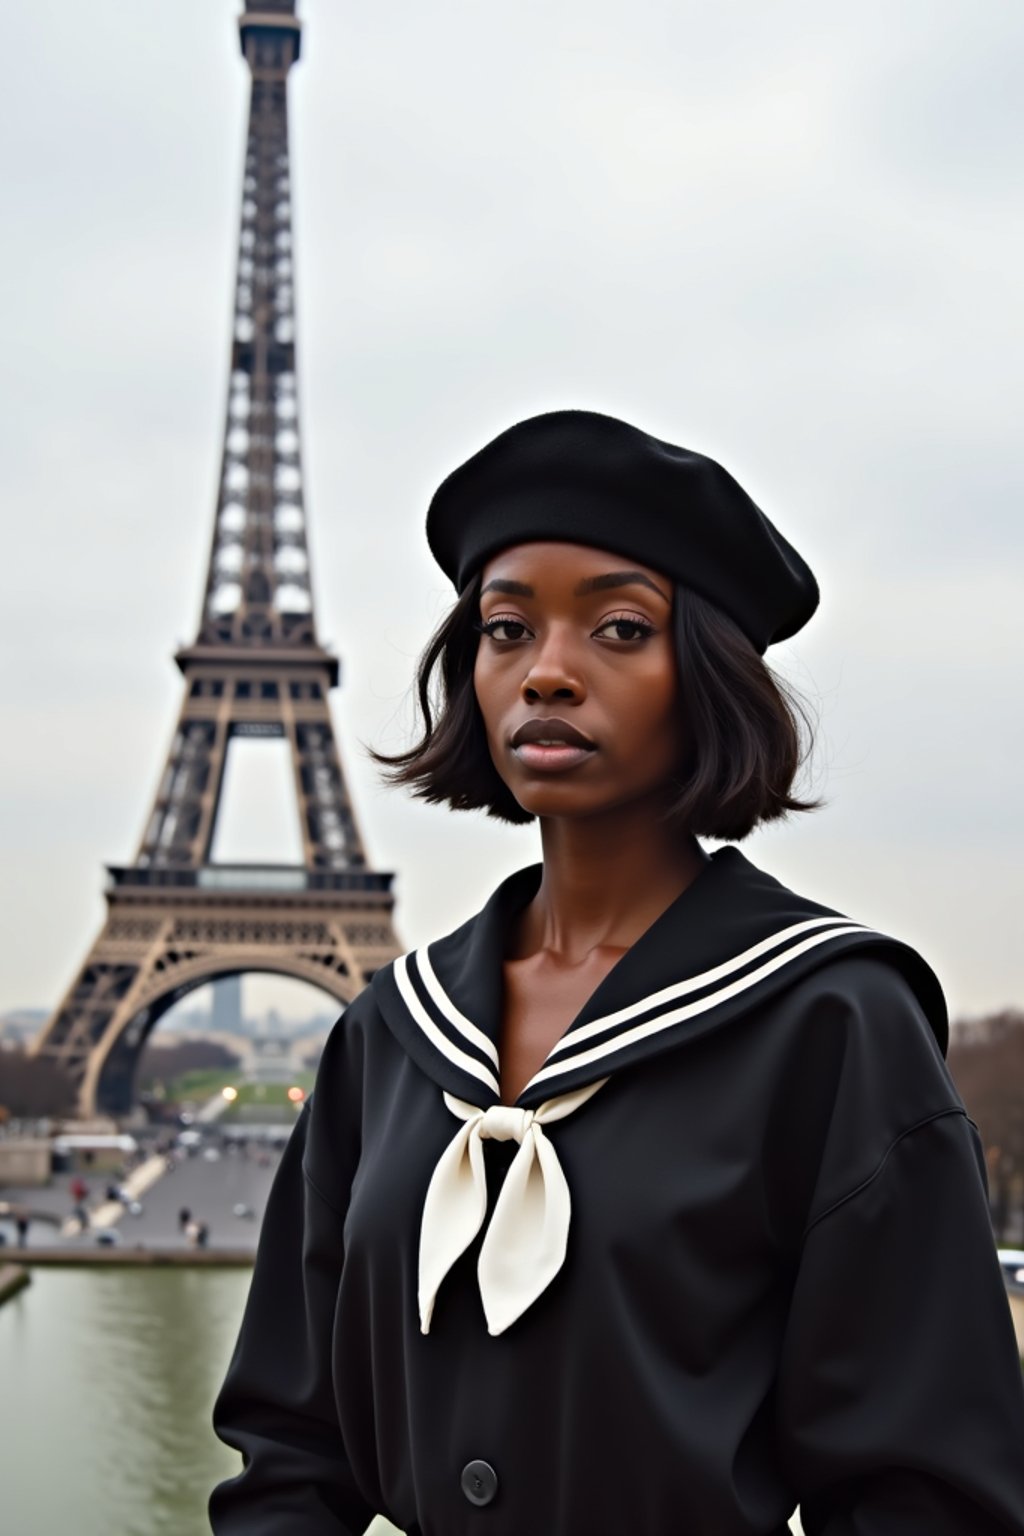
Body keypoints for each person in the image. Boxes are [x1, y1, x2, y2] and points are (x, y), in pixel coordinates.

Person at [210, 410, 1024, 1535]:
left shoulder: (832, 1022)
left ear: (705, 677)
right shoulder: (386, 1037)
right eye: (505, 630)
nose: (546, 672)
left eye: (620, 630)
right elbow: (292, 1451)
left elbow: (923, 1494)